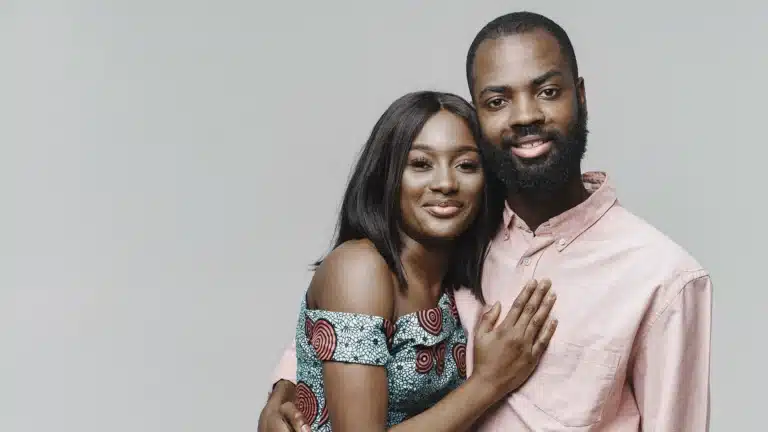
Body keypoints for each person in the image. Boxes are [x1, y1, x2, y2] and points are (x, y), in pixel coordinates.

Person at [260, 11, 713, 432]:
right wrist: (286, 390)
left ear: (582, 97)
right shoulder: (458, 230)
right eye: (498, 100)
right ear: (480, 117)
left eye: (548, 92)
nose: (525, 116)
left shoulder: (661, 277)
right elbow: (356, 322)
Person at [271, 90, 560, 432]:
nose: (446, 183)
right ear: (387, 175)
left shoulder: (466, 274)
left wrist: (282, 388)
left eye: (466, 165)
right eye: (421, 164)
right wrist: (488, 383)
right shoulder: (359, 269)